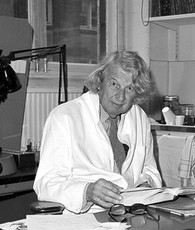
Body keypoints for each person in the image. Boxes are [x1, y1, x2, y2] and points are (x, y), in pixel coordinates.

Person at [33, 50, 162, 214]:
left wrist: (146, 186)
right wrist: (87, 191)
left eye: (129, 88)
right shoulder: (64, 117)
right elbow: (46, 183)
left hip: (130, 213)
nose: (120, 97)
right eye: (114, 84)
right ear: (100, 81)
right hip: (83, 217)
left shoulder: (139, 117)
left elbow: (149, 169)